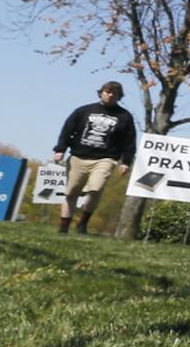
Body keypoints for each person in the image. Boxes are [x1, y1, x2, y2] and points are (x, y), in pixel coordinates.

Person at [51, 80, 137, 235]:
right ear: (101, 92)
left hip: (105, 158)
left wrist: (126, 162)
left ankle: (82, 223)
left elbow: (129, 141)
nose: (110, 95)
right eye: (107, 91)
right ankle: (64, 227)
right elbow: (67, 130)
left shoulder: (124, 116)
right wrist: (60, 149)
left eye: (114, 93)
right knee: (71, 193)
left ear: (119, 96)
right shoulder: (84, 111)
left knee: (95, 189)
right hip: (78, 156)